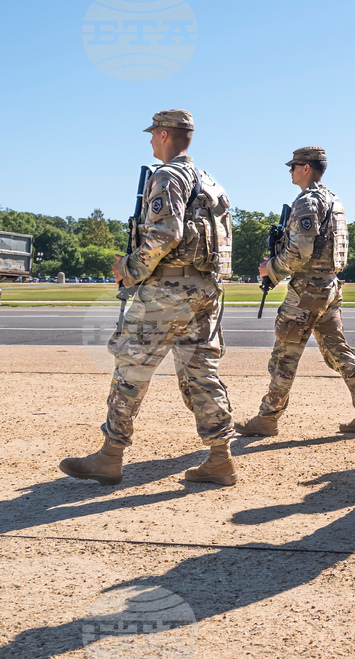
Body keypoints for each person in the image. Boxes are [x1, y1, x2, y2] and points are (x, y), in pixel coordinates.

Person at [60, 109, 239, 486]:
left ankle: (110, 456)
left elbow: (165, 234)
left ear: (162, 135)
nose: (150, 140)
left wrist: (129, 267)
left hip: (167, 291)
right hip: (207, 289)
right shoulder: (210, 182)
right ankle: (220, 458)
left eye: (152, 134)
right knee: (202, 371)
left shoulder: (167, 176)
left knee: (131, 368)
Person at [236, 147, 355, 438]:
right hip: (329, 287)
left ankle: (267, 418)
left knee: (285, 356)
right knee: (339, 351)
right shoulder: (333, 200)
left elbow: (301, 249)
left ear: (306, 168)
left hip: (307, 290)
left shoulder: (308, 201)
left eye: (293, 166)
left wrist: (271, 268)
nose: (290, 170)